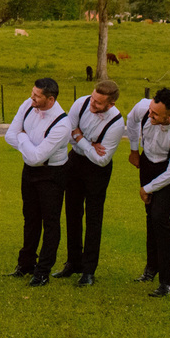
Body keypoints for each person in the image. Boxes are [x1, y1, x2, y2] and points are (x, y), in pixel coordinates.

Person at [4, 77, 73, 286]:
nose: (31, 97)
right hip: (29, 172)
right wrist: (29, 146)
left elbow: (37, 157)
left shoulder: (62, 124)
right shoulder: (28, 104)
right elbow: (9, 135)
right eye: (32, 93)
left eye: (37, 95)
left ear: (50, 100)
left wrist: (23, 139)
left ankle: (42, 271)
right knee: (30, 218)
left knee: (50, 222)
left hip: (52, 174)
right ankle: (26, 264)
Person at [55, 80, 124, 287]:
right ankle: (73, 263)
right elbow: (68, 131)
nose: (92, 105)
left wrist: (81, 138)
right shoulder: (81, 103)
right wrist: (87, 144)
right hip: (74, 161)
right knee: (72, 212)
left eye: (98, 104)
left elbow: (101, 159)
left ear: (110, 105)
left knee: (94, 218)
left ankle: (88, 270)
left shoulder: (117, 123)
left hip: (98, 171)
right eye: (93, 99)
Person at [126, 87, 170, 297]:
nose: (150, 115)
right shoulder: (145, 108)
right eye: (151, 111)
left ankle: (169, 282)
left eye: (156, 114)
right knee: (150, 216)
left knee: (159, 216)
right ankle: (151, 268)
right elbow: (131, 120)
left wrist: (147, 188)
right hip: (148, 162)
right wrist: (134, 150)